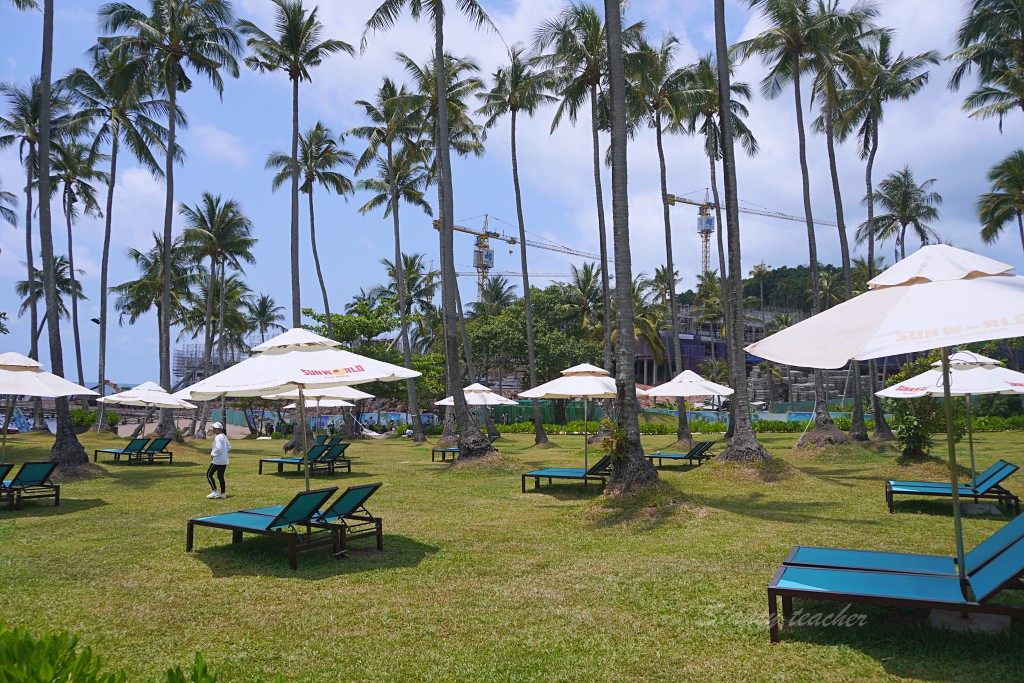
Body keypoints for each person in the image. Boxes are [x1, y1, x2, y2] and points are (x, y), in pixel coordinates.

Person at [207, 422, 230, 499]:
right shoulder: (224, 436)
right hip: (224, 460)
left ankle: (215, 492)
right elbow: (229, 446)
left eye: (215, 428)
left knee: (209, 475)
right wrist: (224, 453)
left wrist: (213, 454)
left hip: (217, 460)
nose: (213, 429)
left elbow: (218, 448)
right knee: (220, 476)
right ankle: (223, 494)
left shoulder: (218, 437)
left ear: (220, 429)